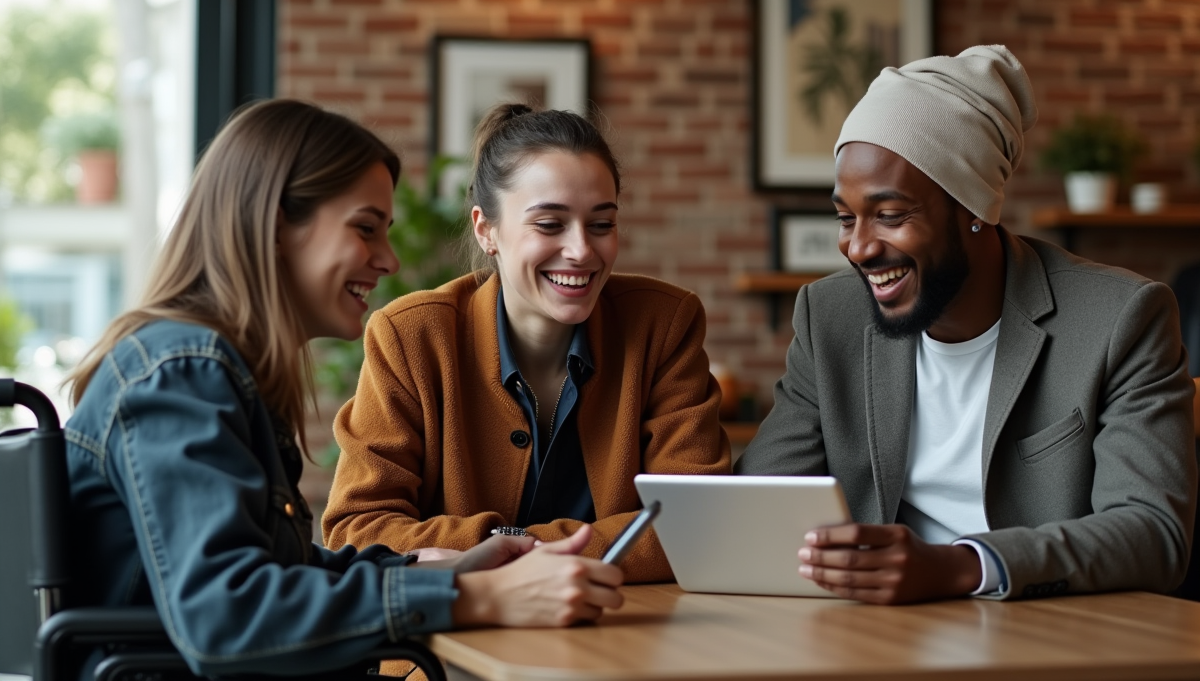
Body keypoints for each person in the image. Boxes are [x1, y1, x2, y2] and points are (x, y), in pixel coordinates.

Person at [63, 100, 625, 679]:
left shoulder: (213, 370)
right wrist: (482, 599)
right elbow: (225, 617)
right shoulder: (181, 372)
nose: (388, 259)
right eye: (365, 229)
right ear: (276, 225)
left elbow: (283, 573)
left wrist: (451, 573)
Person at [737, 45, 1197, 603]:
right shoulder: (828, 317)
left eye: (889, 215)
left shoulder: (1121, 318)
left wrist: (962, 567)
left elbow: (1153, 534)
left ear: (975, 207)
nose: (857, 247)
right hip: (873, 634)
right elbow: (755, 504)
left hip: (1051, 631)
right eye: (844, 217)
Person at [322, 103, 730, 582]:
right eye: (549, 224)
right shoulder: (410, 337)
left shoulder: (663, 323)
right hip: (452, 642)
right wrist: (533, 551)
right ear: (486, 229)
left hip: (625, 633)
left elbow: (697, 521)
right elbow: (358, 528)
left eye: (602, 224)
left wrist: (503, 552)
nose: (581, 250)